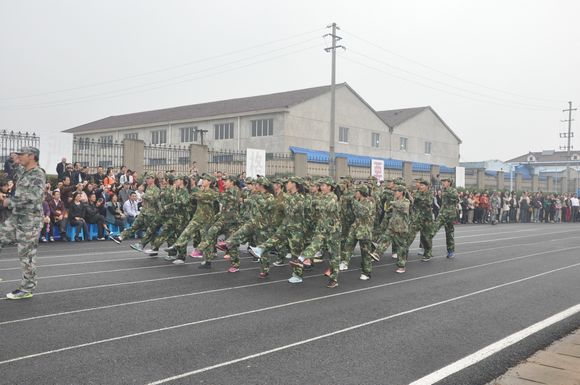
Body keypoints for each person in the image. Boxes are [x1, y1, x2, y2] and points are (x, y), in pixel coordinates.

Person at [0, 146, 46, 300]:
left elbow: (34, 197)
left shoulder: (38, 174)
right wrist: (13, 159)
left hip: (30, 221)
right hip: (16, 217)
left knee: (26, 255)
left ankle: (27, 288)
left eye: (21, 154)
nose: (18, 157)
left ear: (32, 156)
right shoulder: (22, 171)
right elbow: (12, 168)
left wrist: (10, 202)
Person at [432, 177, 459, 258]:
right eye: (442, 181)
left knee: (449, 234)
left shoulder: (453, 190)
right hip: (442, 214)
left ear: (449, 182)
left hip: (450, 215)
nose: (443, 183)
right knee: (433, 230)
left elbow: (456, 199)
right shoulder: (443, 190)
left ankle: (450, 251)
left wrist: (447, 192)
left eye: (445, 181)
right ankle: (427, 250)